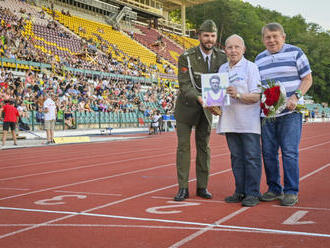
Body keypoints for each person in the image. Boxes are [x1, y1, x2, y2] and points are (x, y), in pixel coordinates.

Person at [255, 23, 313, 206]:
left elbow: (307, 78)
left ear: (283, 37)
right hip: (268, 115)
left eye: (275, 36)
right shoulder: (259, 59)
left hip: (291, 112)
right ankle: (274, 188)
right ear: (263, 39)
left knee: (289, 152)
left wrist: (296, 96)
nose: (271, 40)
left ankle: (291, 191)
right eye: (267, 37)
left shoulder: (296, 52)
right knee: (268, 153)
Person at [174, 20, 227, 201]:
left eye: (212, 36)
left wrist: (219, 102)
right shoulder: (186, 57)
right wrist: (200, 98)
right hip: (186, 109)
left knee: (204, 148)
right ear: (199, 36)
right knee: (183, 148)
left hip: (207, 111)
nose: (209, 39)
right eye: (206, 35)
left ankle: (202, 186)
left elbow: (223, 82)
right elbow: (185, 85)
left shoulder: (222, 57)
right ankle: (183, 188)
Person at [216, 34, 262, 207]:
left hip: (248, 121)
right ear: (225, 50)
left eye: (237, 47)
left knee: (251, 157)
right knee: (236, 157)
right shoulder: (222, 69)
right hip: (229, 120)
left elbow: (257, 96)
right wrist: (213, 104)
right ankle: (240, 190)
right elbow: (218, 95)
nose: (233, 50)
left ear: (243, 49)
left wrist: (239, 95)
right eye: (229, 47)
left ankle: (252, 193)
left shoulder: (251, 67)